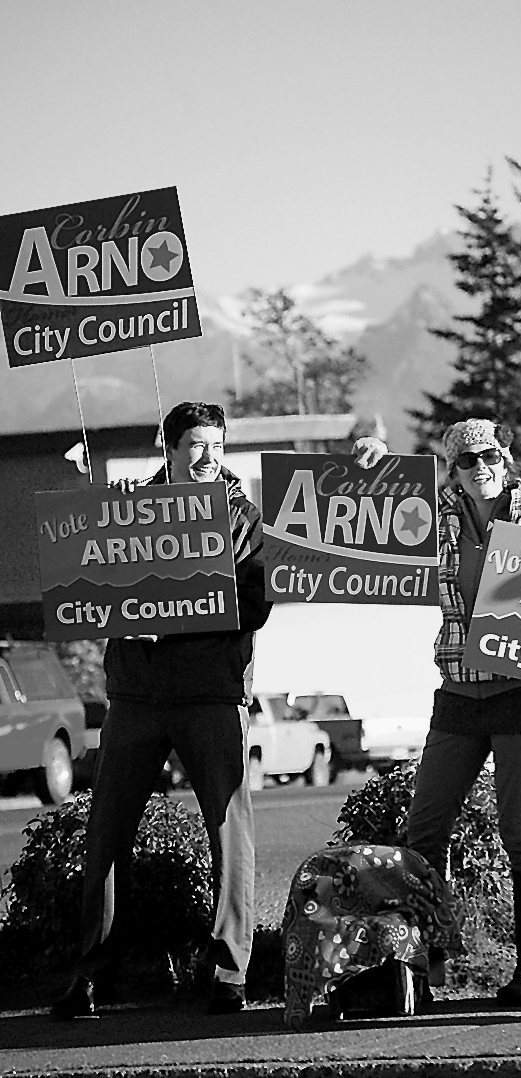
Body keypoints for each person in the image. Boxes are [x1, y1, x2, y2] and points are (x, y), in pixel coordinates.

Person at [354, 419, 521, 1006]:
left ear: (507, 456)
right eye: (466, 461)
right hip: (459, 695)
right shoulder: (434, 511)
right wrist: (370, 453)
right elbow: (374, 500)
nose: (479, 467)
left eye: (489, 455)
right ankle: (428, 963)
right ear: (453, 469)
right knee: (424, 830)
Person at [53, 401, 272, 1018]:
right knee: (106, 834)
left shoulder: (241, 516)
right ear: (169, 447)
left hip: (211, 692)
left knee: (229, 833)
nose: (210, 457)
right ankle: (92, 976)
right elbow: (87, 583)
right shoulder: (125, 509)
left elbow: (256, 603)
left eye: (218, 446)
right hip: (136, 695)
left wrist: (182, 613)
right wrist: (103, 514)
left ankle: (229, 974)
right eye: (198, 445)